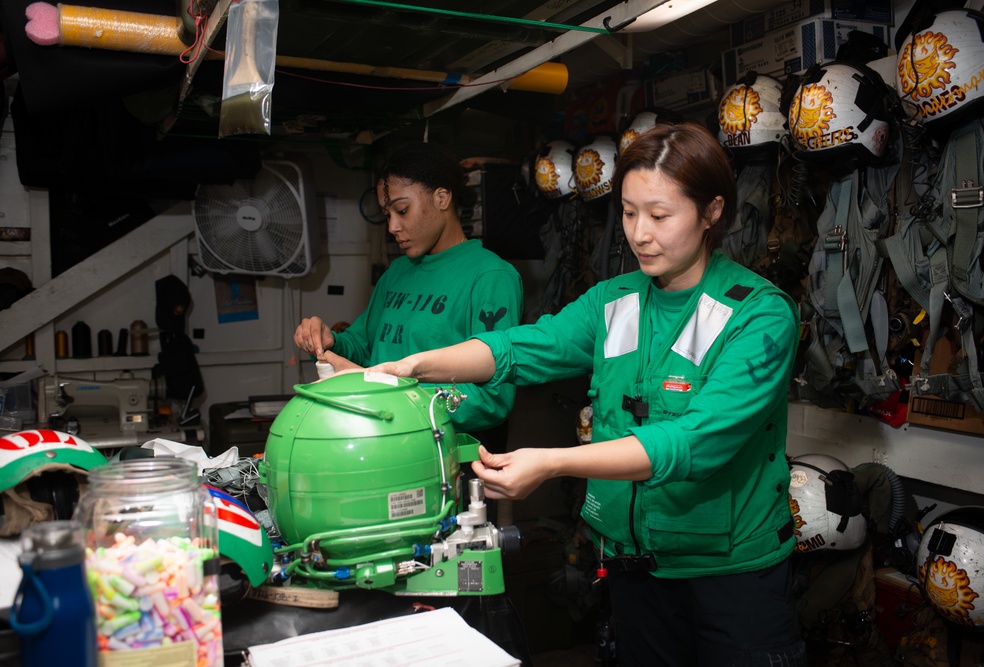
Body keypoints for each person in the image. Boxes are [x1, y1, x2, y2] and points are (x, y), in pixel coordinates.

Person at [354, 123, 807, 666]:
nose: (639, 233)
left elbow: (694, 441)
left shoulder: (760, 315)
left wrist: (552, 463)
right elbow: (525, 347)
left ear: (711, 211)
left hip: (732, 578)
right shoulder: (615, 299)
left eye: (660, 216)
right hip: (633, 568)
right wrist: (417, 366)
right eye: (630, 211)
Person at [294, 141, 523, 435]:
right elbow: (364, 348)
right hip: (381, 438)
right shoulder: (399, 271)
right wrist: (329, 342)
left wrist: (393, 398)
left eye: (402, 210)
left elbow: (492, 400)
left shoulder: (491, 276)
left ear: (442, 197)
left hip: (444, 457)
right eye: (387, 214)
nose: (392, 227)